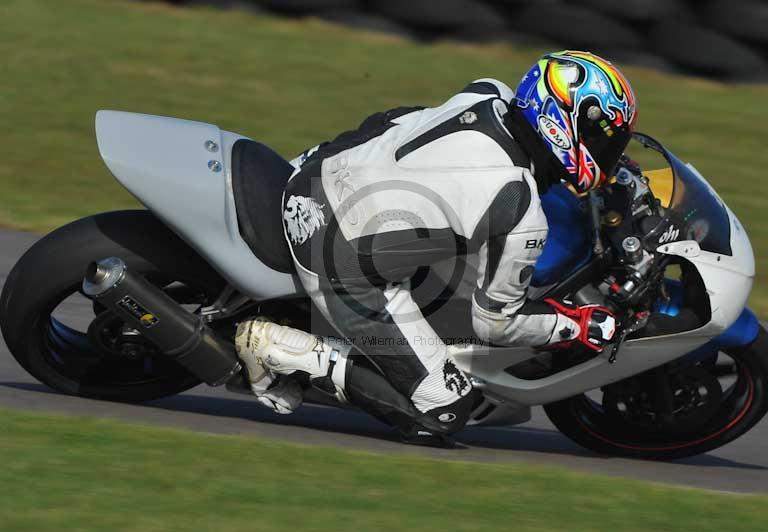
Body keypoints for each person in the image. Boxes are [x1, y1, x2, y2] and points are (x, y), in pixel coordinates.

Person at [235, 50, 635, 445]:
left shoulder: (486, 94)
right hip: (336, 257)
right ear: (561, 124)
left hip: (312, 177)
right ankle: (284, 349)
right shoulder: (518, 209)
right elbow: (495, 323)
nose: (607, 155)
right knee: (445, 411)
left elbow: (390, 121)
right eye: (603, 141)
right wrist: (578, 325)